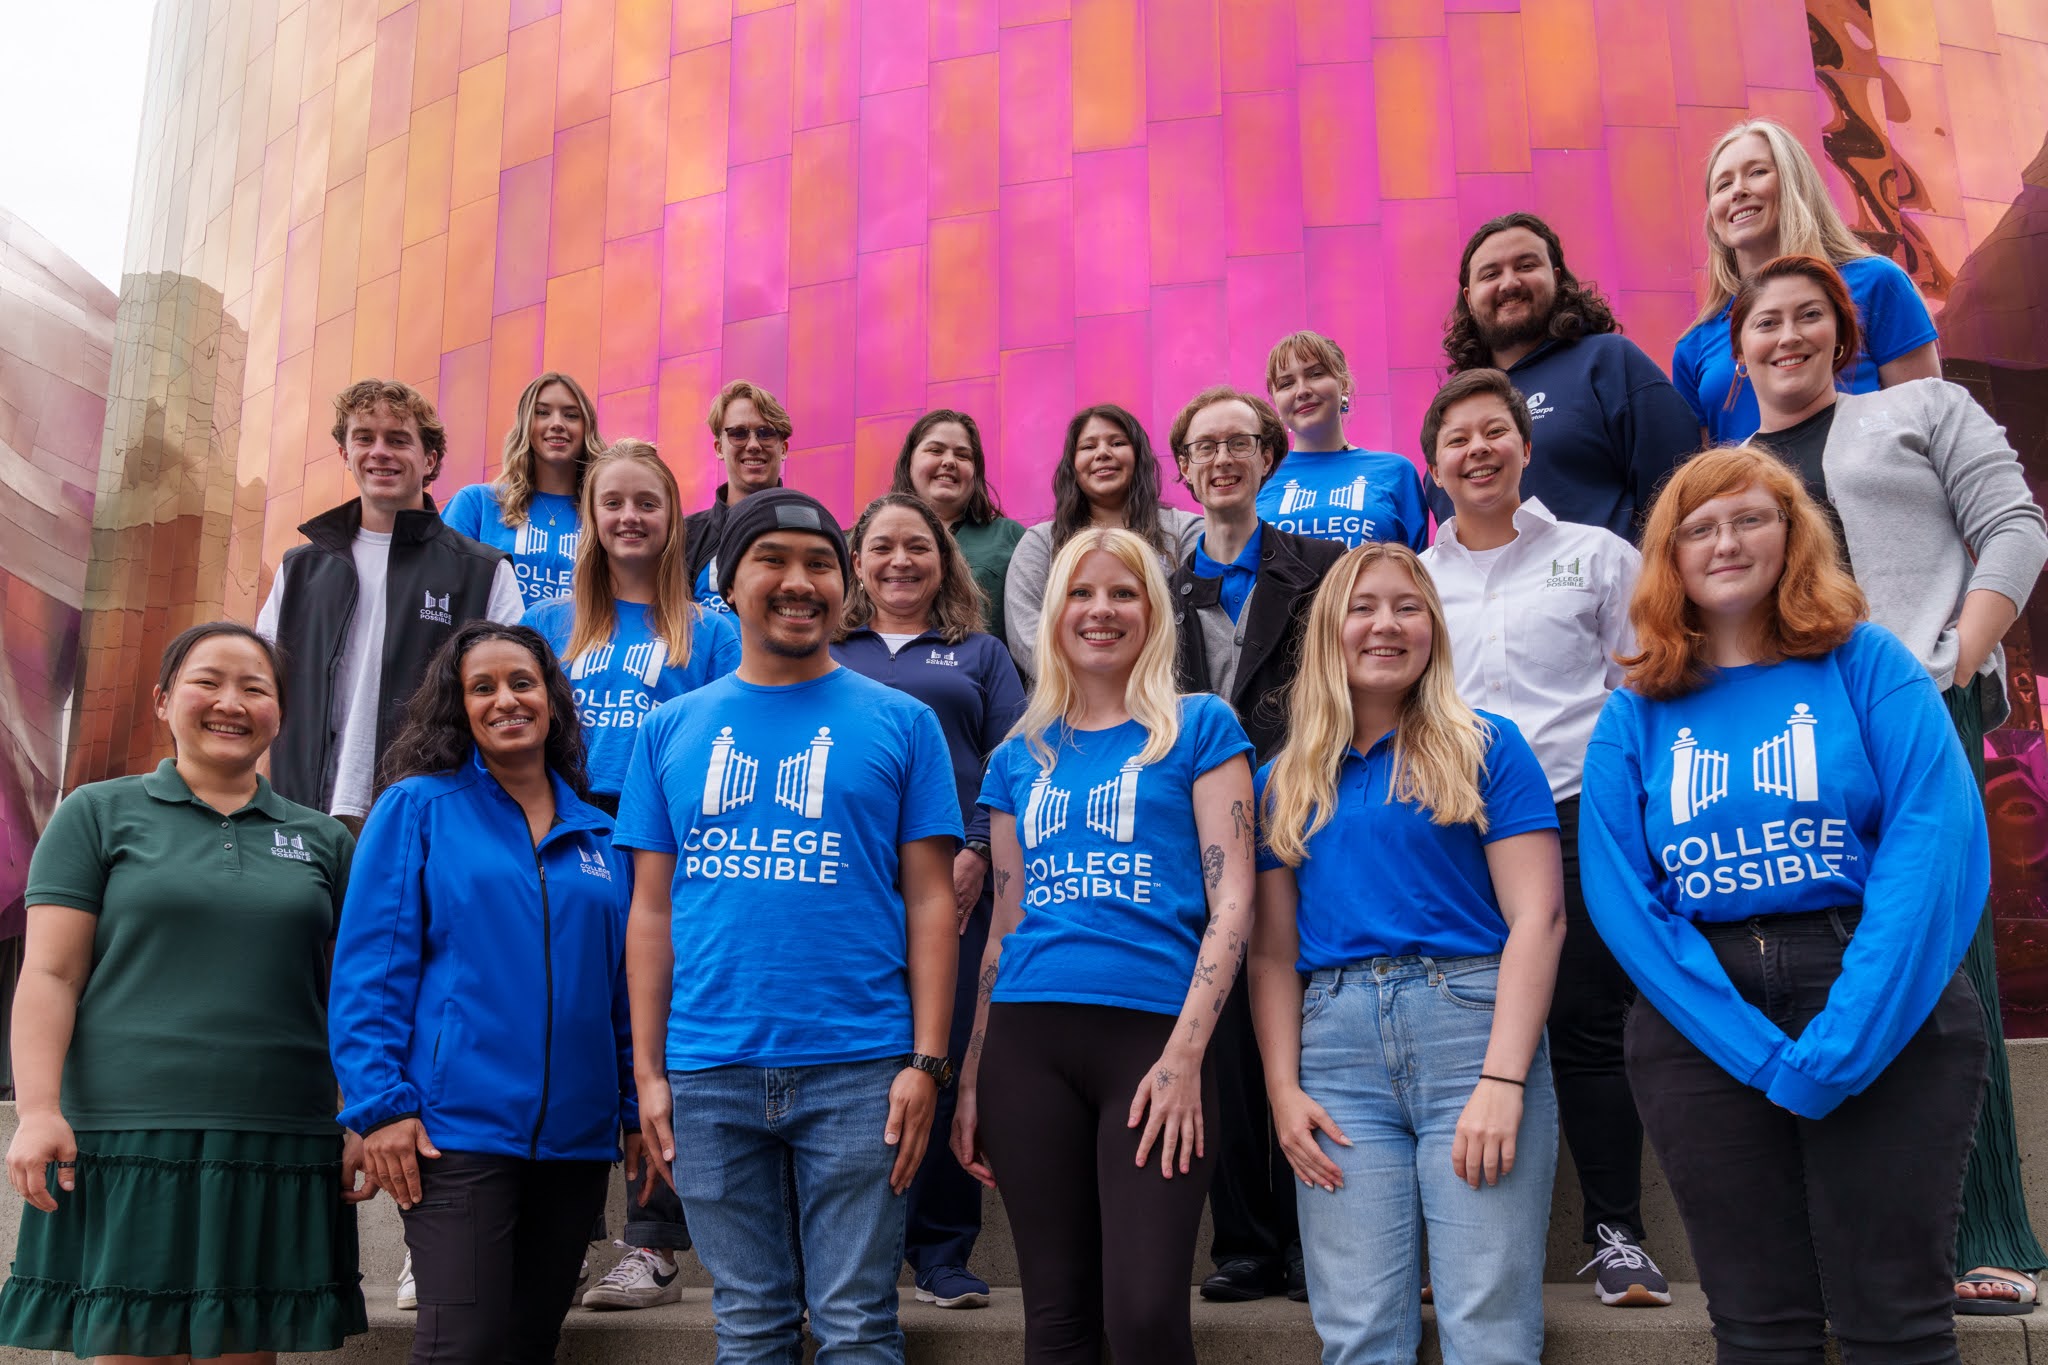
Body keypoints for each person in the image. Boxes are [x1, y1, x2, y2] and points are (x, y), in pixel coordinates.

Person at [1579, 446, 1992, 1363]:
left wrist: (1843, 1041)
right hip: (1700, 1021)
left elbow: (1933, 847)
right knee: (1759, 1332)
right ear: (1670, 557)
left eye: (1749, 518)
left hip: (1877, 988)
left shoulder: (1866, 663)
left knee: (1900, 1326)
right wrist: (1754, 1048)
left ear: (1793, 532)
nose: (1725, 541)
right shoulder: (1636, 709)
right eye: (1699, 528)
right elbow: (1622, 898)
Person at [1731, 254, 2048, 1315]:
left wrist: (1956, 654)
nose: (1786, 336)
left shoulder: (1923, 406)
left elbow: (2013, 527)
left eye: (1807, 317)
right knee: (1842, 971)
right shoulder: (1726, 467)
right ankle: (1867, 1242)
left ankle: (1984, 1230)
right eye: (1763, 322)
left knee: (1943, 964)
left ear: (1841, 333)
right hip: (1804, 744)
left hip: (1920, 700)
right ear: (1736, 350)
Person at [617, 488, 962, 1365]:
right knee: (749, 1324)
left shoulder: (903, 721)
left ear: (845, 585)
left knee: (856, 1324)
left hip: (860, 1066)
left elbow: (931, 901)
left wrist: (926, 1060)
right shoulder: (667, 731)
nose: (798, 580)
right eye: (771, 559)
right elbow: (651, 911)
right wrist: (648, 1072)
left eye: (819, 564)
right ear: (728, 584)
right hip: (707, 1072)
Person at [0, 623, 369, 1360]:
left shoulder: (324, 839)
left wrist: (356, 1111)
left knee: (244, 1347)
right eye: (208, 681)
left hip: (279, 1134)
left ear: (280, 715)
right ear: (164, 702)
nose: (231, 701)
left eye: (255, 687)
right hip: (127, 1133)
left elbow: (350, 992)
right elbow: (50, 973)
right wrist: (38, 1109)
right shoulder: (97, 814)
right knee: (127, 1345)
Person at [1249, 541, 1564, 1365]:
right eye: (1363, 607)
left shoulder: (1487, 745)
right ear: (1329, 630)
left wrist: (1504, 1078)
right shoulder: (1283, 777)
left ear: (1434, 627)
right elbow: (1272, 954)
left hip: (1471, 1032)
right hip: (1336, 1053)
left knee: (1488, 1325)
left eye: (1407, 606)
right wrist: (1282, 1089)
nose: (1385, 624)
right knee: (1356, 1333)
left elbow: (1539, 917)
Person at [954, 526, 1257, 1365]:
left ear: (1153, 611)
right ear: (1053, 614)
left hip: (1154, 1036)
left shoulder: (1200, 725)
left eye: (1122, 593)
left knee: (1145, 1314)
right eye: (1081, 593)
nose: (1101, 609)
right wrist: (974, 1074)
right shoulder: (1019, 754)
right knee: (1055, 1320)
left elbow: (1234, 899)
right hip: (1027, 1042)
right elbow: (1005, 926)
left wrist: (1186, 1054)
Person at [1415, 370, 1664, 1307]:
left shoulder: (1599, 556)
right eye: (1457, 440)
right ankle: (1455, 1245)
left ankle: (1617, 1236)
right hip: (1449, 831)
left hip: (1570, 818)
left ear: (1525, 447)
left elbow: (1644, 688)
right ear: (1433, 466)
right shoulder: (1420, 579)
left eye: (1495, 433)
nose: (1477, 451)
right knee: (1455, 1034)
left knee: (1588, 1026)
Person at [329, 621, 638, 1364]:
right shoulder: (419, 809)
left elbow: (623, 992)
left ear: (554, 701)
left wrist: (630, 1111)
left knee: (530, 1345)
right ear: (458, 707)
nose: (507, 699)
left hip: (573, 1142)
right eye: (483, 687)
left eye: (523, 682)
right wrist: (380, 1106)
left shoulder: (601, 835)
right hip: (452, 1135)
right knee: (461, 1348)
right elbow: (372, 967)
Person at [522, 438, 739, 1310]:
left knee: (652, 1038)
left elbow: (733, 741)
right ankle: (566, 1235)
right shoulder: (550, 624)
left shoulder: (711, 629)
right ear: (590, 516)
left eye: (646, 501)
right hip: (566, 847)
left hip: (666, 852)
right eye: (611, 501)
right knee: (573, 1030)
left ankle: (652, 1242)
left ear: (671, 514)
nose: (629, 516)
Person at [1164, 385, 1346, 1304]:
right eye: (1205, 447)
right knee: (1228, 1036)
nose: (1223, 458)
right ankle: (1244, 1241)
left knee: (1317, 1024)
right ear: (1186, 469)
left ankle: (1327, 1236)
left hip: (1313, 817)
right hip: (1207, 831)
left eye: (1240, 441)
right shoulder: (1158, 589)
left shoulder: (1326, 566)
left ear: (1269, 457)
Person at [831, 492, 1028, 1310]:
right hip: (850, 891)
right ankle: (858, 1251)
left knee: (940, 1057)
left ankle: (944, 1251)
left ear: (945, 561)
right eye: (883, 546)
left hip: (956, 887)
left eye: (919, 545)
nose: (901, 560)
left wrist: (979, 847)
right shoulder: (828, 652)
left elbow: (1014, 760)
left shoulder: (978, 653)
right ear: (858, 559)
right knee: (863, 1066)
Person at [256, 378, 523, 831]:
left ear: (430, 459)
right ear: (345, 453)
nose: (380, 451)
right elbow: (260, 687)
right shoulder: (300, 570)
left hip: (427, 817)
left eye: (398, 440)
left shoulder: (482, 572)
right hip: (301, 813)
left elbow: (509, 700)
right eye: (364, 437)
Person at [1671, 118, 1941, 444]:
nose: (1738, 190)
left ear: (1795, 185)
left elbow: (1932, 425)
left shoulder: (1877, 283)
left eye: (1757, 172)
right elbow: (1706, 476)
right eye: (1723, 185)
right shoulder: (1693, 346)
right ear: (1714, 217)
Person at [1437, 213, 1699, 541]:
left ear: (1556, 278)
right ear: (1469, 299)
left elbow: (1681, 491)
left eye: (1526, 266)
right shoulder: (1456, 406)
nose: (1510, 283)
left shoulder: (1610, 362)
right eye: (1491, 274)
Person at [1004, 404, 1204, 678]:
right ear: (1072, 465)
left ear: (1138, 456)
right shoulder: (1040, 543)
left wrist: (1144, 683)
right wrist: (1096, 689)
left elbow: (1196, 625)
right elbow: (1025, 632)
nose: (1102, 453)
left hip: (1166, 701)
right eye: (1088, 447)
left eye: (1117, 443)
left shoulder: (1186, 531)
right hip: (1069, 709)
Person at [442, 372, 606, 608]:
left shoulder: (605, 515)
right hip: (494, 644)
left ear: (586, 428)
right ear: (525, 425)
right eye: (542, 412)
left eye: (571, 415)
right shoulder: (477, 504)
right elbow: (440, 591)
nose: (557, 423)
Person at [1257, 331, 1430, 552]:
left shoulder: (1396, 471)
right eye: (1286, 384)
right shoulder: (1259, 476)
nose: (1302, 391)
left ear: (1343, 384)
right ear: (1275, 401)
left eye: (1316, 374)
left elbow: (1415, 570)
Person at [891, 408, 1028, 644]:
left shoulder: (1010, 536)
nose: (949, 462)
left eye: (963, 455)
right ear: (909, 462)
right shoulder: (868, 539)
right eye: (935, 450)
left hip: (983, 676)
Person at [681, 379, 794, 615]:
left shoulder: (809, 528)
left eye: (766, 433)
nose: (753, 445)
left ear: (782, 449)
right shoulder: (686, 536)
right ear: (719, 447)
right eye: (738, 434)